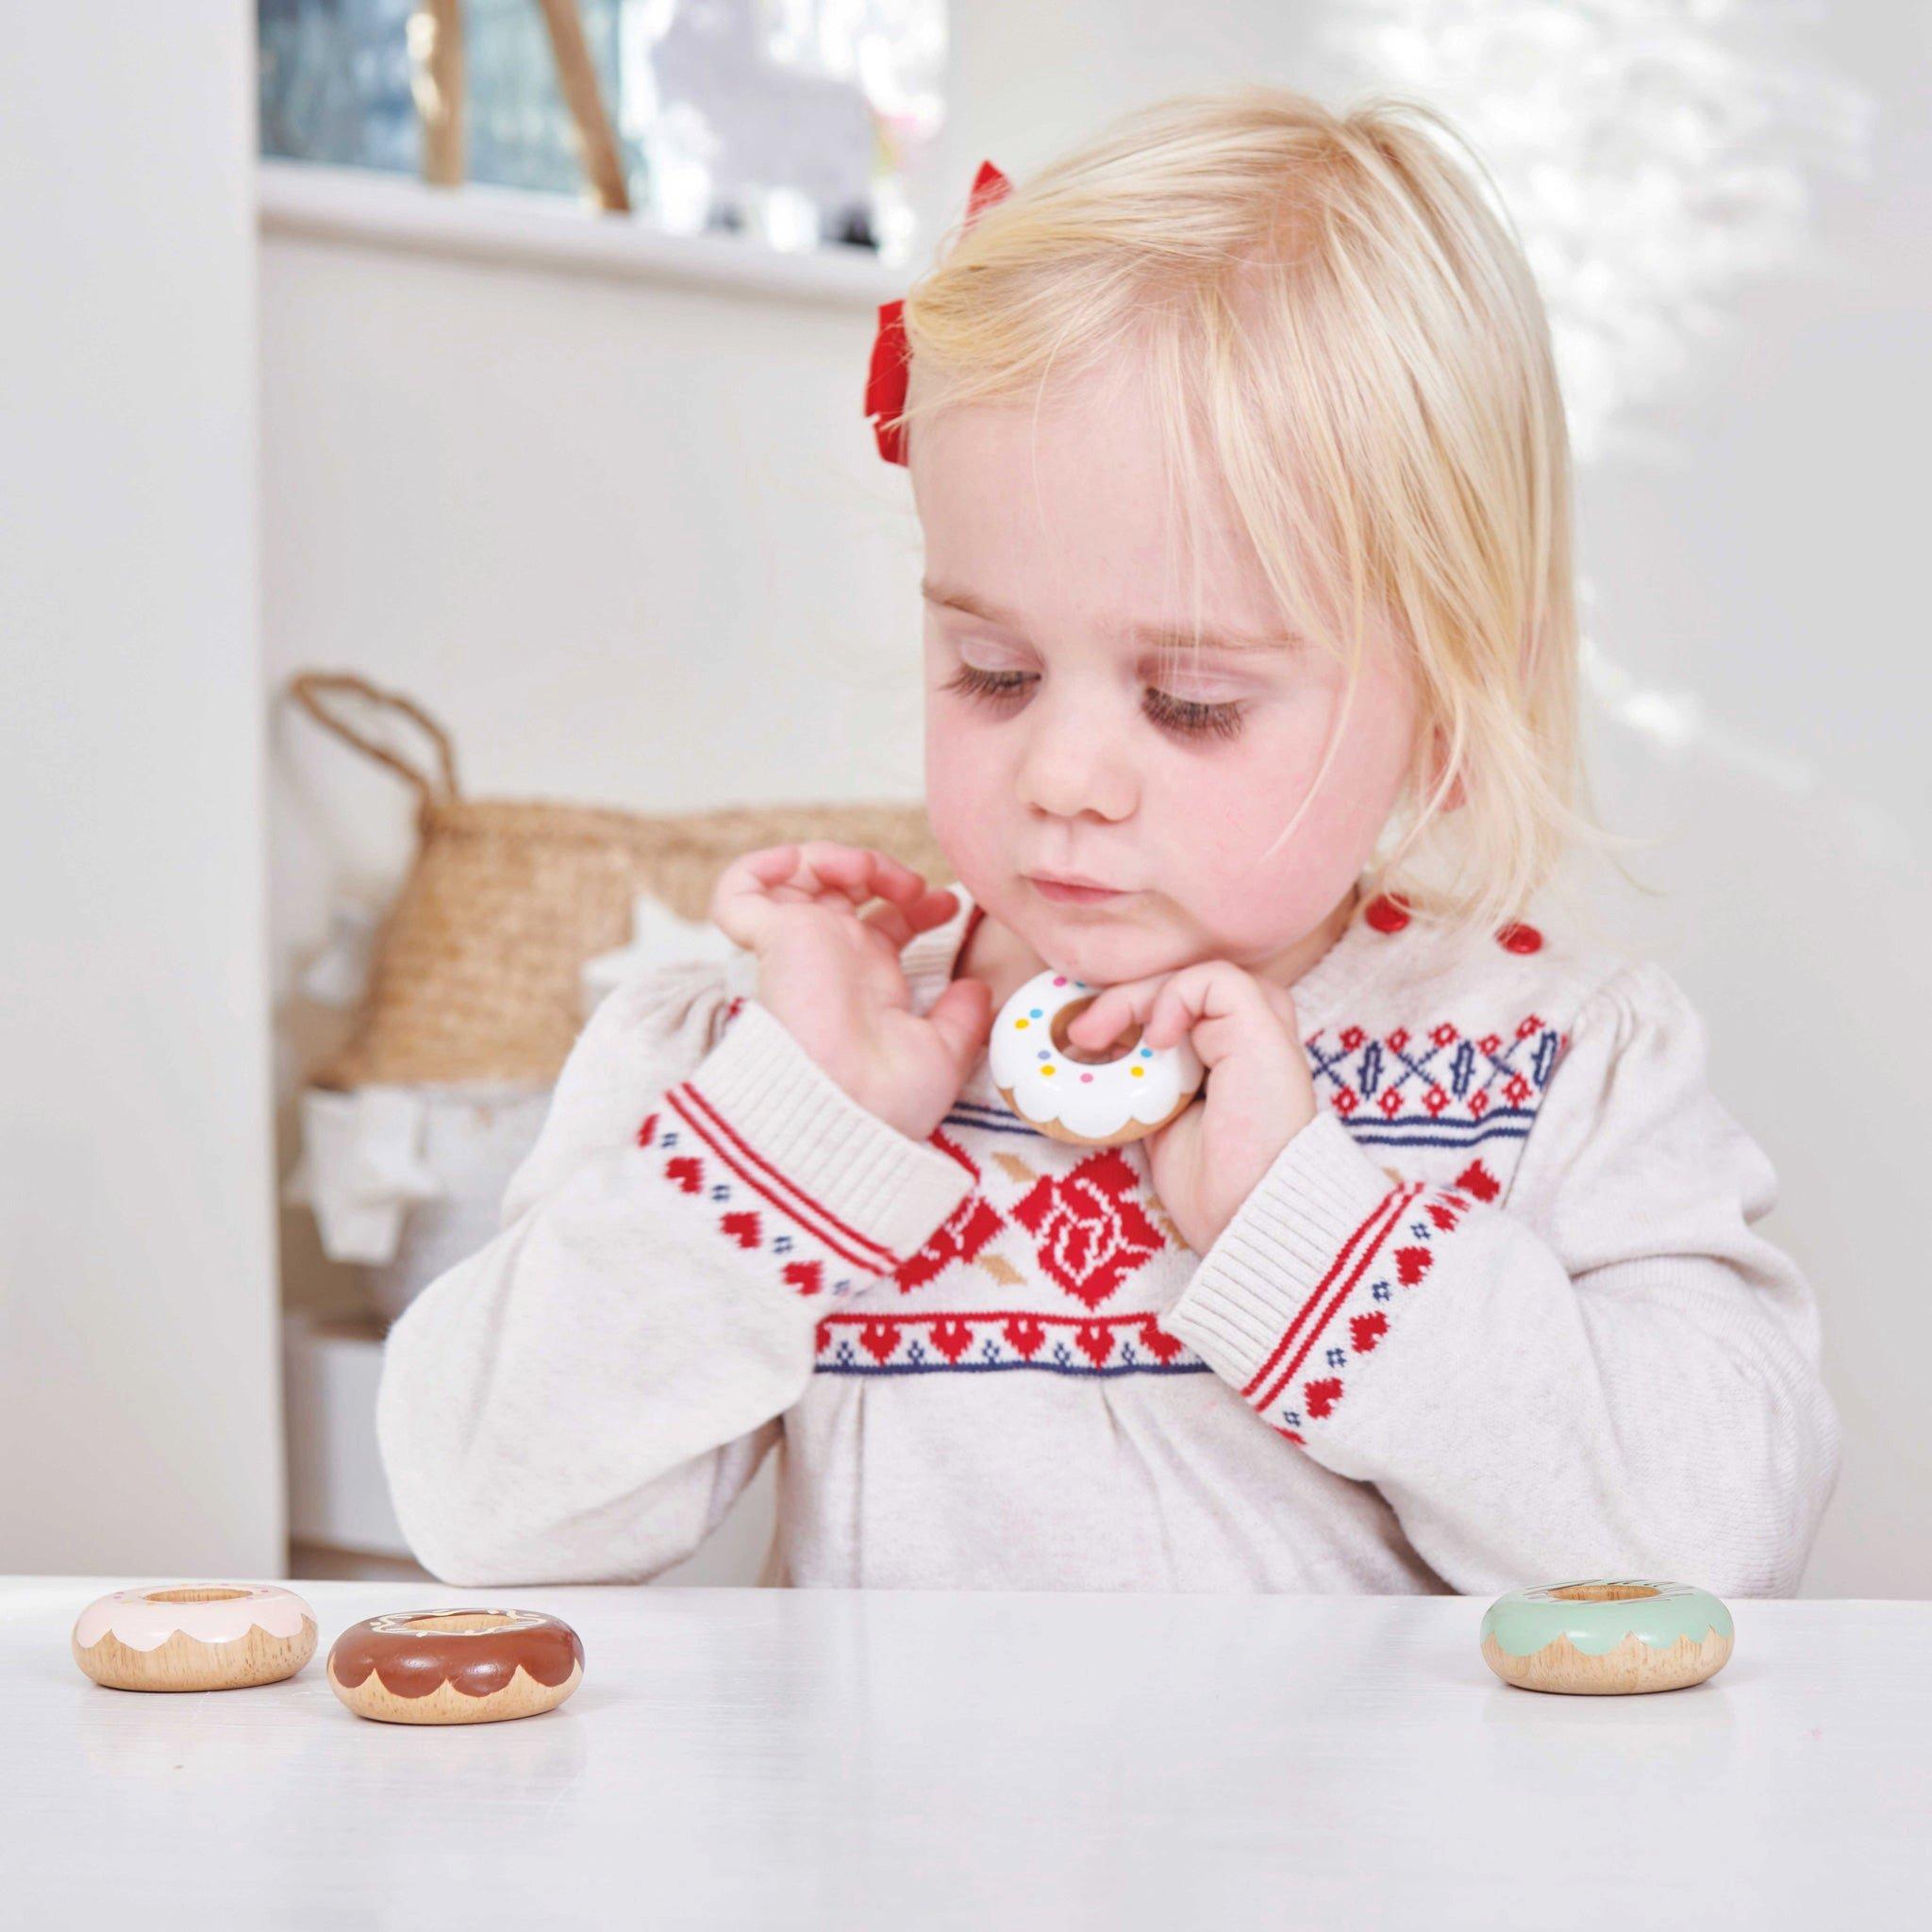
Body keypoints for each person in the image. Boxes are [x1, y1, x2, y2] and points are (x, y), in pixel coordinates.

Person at [376, 88, 1838, 1594]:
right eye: (993, 675)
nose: (1064, 775)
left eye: (1192, 703)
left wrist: (1315, 1235)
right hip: (898, 1838)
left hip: (1374, 1844)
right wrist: (788, 1146)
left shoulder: (1550, 1064)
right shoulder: (796, 1063)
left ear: (1448, 712)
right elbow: (479, 1504)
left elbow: (1712, 1543)